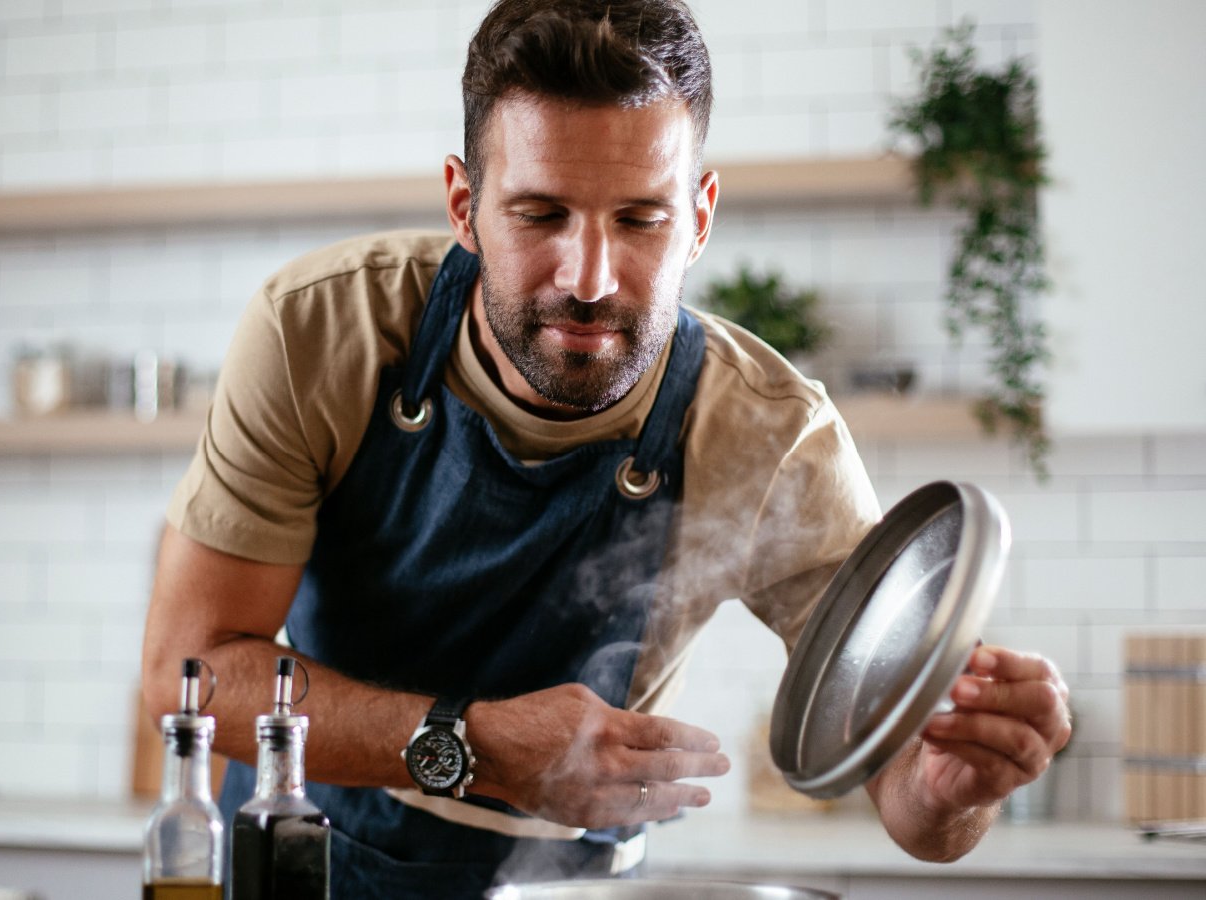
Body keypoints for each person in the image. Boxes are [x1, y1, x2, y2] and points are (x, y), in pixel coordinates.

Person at [144, 1, 1073, 897]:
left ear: (701, 218)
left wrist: (957, 788)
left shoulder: (769, 436)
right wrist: (476, 744)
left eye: (640, 220)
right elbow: (189, 675)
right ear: (464, 206)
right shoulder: (323, 331)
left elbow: (912, 800)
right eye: (540, 215)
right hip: (306, 868)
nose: (589, 280)